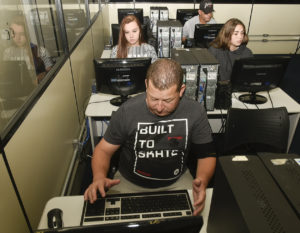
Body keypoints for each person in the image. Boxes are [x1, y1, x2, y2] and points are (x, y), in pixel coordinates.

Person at [84, 58, 216, 216]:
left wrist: (202, 181)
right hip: (129, 182)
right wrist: (98, 177)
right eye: (154, 98)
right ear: (146, 85)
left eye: (168, 100)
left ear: (181, 91)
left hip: (177, 181)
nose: (159, 107)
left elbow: (206, 154)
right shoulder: (127, 111)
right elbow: (103, 151)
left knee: (199, 220)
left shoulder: (195, 111)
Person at [3, 16, 54, 83]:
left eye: (21, 34)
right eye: (14, 33)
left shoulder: (41, 51)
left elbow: (51, 73)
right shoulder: (7, 52)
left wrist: (42, 76)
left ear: (28, 34)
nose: (17, 38)